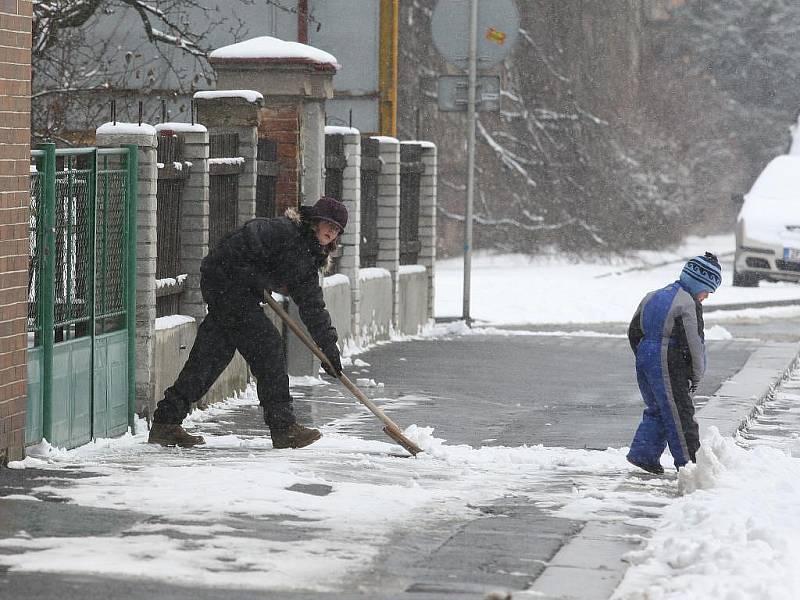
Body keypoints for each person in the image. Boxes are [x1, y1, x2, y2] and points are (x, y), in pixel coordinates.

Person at [148, 196, 348, 449]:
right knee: (269, 347)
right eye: (327, 224)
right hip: (227, 286)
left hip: (240, 294)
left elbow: (312, 306)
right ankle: (284, 428)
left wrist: (328, 349)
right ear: (315, 221)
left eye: (337, 229)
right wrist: (250, 274)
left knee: (210, 357)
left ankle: (166, 422)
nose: (331, 232)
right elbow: (234, 245)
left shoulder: (308, 258)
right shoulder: (282, 232)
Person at [626, 252, 722, 474]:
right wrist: (696, 375)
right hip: (669, 361)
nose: (707, 296)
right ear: (699, 283)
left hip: (645, 357)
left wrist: (644, 355)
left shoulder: (652, 295)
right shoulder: (688, 304)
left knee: (659, 408)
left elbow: (633, 330)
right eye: (708, 290)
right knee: (680, 413)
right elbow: (694, 343)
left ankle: (644, 455)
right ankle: (691, 467)